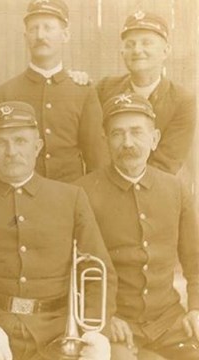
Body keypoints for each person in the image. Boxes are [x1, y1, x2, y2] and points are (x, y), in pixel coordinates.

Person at [0, 101, 117, 360]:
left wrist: (96, 332)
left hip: (58, 333)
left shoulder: (71, 197)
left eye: (20, 141)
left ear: (37, 147)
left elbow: (98, 269)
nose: (11, 151)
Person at [76, 93, 199, 359]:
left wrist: (196, 309)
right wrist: (105, 316)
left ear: (154, 139)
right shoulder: (82, 192)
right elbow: (74, 269)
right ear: (106, 141)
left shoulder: (175, 188)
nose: (128, 143)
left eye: (136, 133)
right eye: (118, 134)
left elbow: (194, 260)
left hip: (170, 322)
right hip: (118, 326)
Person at [0, 0, 107, 183]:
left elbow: (96, 159)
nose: (40, 35)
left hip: (71, 197)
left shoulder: (83, 92)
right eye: (33, 29)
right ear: (25, 37)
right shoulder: (5, 93)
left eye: (48, 28)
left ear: (65, 35)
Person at [96, 11, 196, 175]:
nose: (137, 50)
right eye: (130, 44)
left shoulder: (183, 100)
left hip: (158, 190)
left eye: (146, 43)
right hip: (110, 187)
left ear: (165, 51)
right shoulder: (105, 89)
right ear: (122, 53)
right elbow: (97, 147)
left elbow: (167, 163)